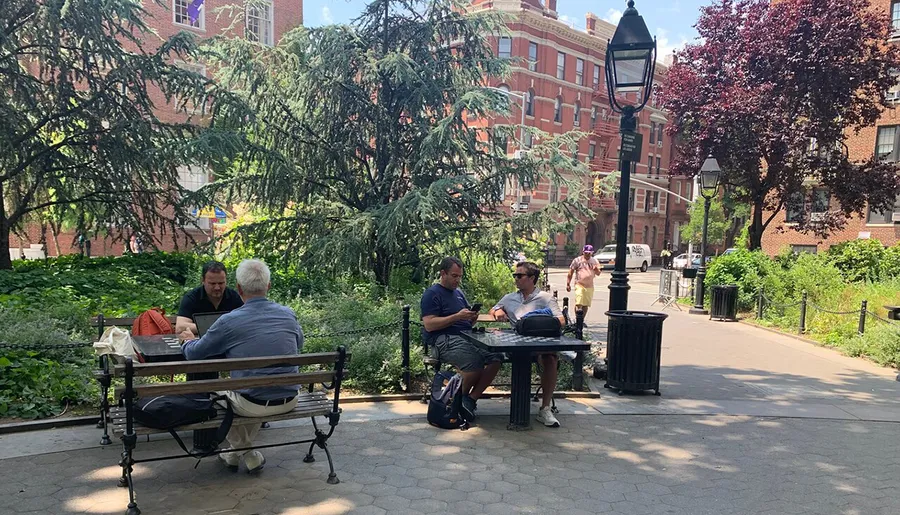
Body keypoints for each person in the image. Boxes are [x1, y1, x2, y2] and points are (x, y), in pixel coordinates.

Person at [179, 259, 303, 474]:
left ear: (237, 288)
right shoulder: (288, 314)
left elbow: (193, 354)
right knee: (250, 391)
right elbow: (298, 346)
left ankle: (248, 453)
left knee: (210, 392)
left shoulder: (229, 321)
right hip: (290, 398)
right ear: (269, 286)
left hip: (252, 402)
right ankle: (234, 455)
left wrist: (188, 340)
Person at [421, 256, 502, 422]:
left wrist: (471, 317)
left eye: (460, 276)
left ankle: (469, 400)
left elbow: (465, 320)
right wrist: (457, 317)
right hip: (443, 339)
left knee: (496, 357)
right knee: (474, 361)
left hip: (467, 337)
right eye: (454, 276)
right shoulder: (432, 294)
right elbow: (429, 324)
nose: (458, 280)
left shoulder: (458, 293)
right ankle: (452, 403)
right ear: (443, 273)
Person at [489, 261, 566, 427]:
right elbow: (492, 310)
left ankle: (545, 409)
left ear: (532, 278)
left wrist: (536, 321)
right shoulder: (509, 298)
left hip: (539, 344)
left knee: (550, 359)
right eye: (514, 275)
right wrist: (498, 311)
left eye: (519, 275)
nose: (516, 278)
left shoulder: (545, 298)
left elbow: (561, 320)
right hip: (514, 345)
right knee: (494, 357)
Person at [175, 261, 244, 335]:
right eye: (212, 283)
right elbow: (180, 327)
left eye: (221, 283)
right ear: (203, 281)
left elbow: (245, 322)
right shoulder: (192, 298)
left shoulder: (234, 297)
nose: (217, 287)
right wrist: (216, 328)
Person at [566, 245, 601, 318]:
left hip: (589, 286)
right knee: (579, 303)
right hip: (579, 284)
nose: (587, 255)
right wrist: (568, 284)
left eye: (589, 253)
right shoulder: (577, 260)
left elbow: (598, 273)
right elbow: (570, 272)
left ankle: (582, 320)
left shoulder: (594, 261)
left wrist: (596, 269)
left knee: (585, 304)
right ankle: (578, 319)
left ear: (592, 253)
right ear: (583, 252)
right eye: (586, 253)